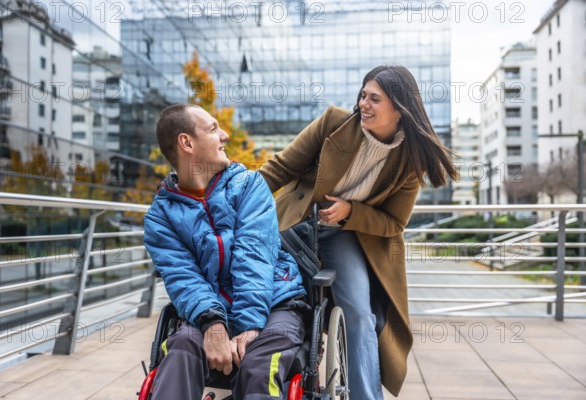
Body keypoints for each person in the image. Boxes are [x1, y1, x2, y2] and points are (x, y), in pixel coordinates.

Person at [260, 65, 459, 398]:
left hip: (344, 234)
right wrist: (236, 204)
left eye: (375, 99)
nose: (364, 104)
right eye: (363, 95)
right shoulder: (333, 124)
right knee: (271, 294)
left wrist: (351, 212)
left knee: (360, 314)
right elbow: (281, 168)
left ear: (399, 109)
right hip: (296, 225)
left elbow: (394, 223)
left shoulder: (409, 163)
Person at [144, 104, 307, 400]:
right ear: (187, 143)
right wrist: (214, 325)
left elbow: (254, 257)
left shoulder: (250, 186)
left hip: (274, 302)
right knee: (181, 348)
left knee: (259, 362)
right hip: (209, 312)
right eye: (213, 129)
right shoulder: (160, 218)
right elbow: (183, 277)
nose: (225, 135)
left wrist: (246, 327)